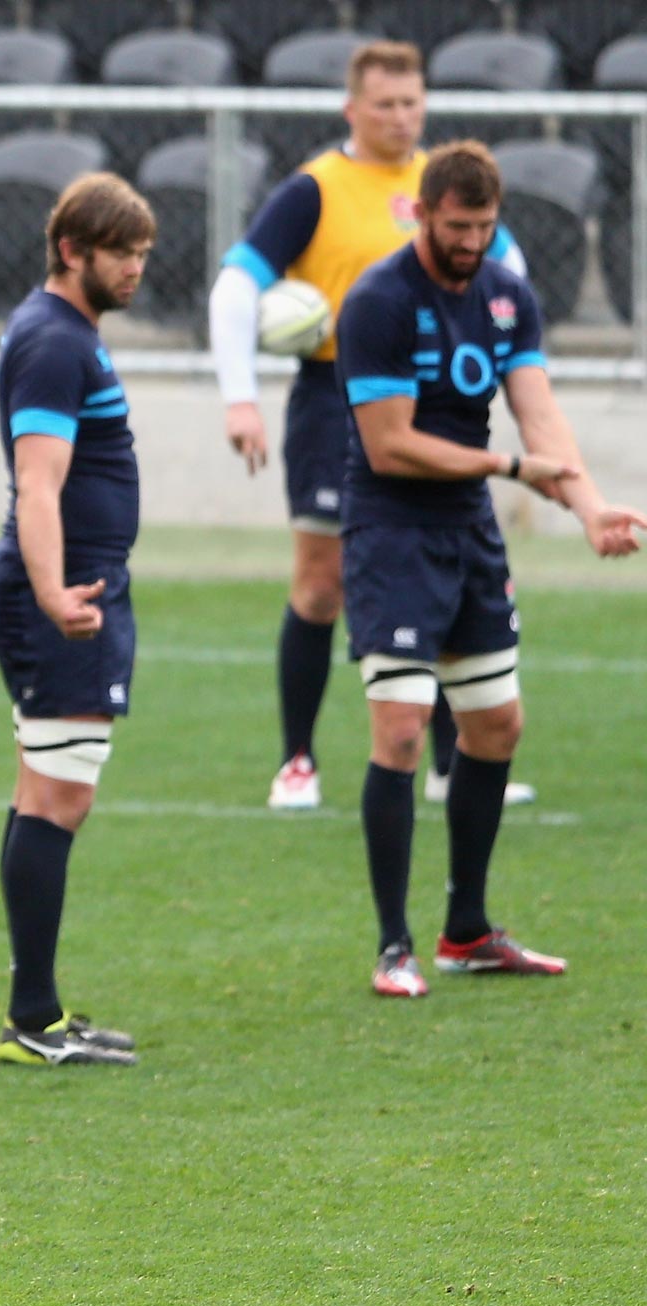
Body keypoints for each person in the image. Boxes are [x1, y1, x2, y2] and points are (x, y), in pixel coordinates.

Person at [334, 142, 644, 998]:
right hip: (392, 529)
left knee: (496, 727)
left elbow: (538, 414)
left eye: (485, 226)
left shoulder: (507, 296)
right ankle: (393, 947)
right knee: (399, 730)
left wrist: (590, 510)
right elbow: (389, 446)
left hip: (468, 534)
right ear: (424, 213)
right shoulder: (379, 301)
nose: (472, 240)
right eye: (458, 225)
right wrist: (507, 471)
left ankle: (464, 931)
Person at [209, 40, 535, 812]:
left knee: (451, 572)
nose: (400, 116)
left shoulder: (443, 189)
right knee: (321, 586)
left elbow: (512, 282)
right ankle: (297, 759)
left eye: (412, 102)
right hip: (336, 397)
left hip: (444, 403)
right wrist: (239, 396)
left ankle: (452, 761)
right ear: (352, 109)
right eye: (385, 104)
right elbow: (234, 286)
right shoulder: (315, 189)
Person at [0, 173, 155, 1067]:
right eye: (122, 254)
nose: (135, 269)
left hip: (73, 587)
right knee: (60, 795)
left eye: (141, 254)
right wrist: (52, 592)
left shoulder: (66, 333)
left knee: (42, 791)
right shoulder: (54, 341)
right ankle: (32, 1020)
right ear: (71, 251)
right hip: (63, 594)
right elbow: (38, 479)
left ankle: (36, 1012)